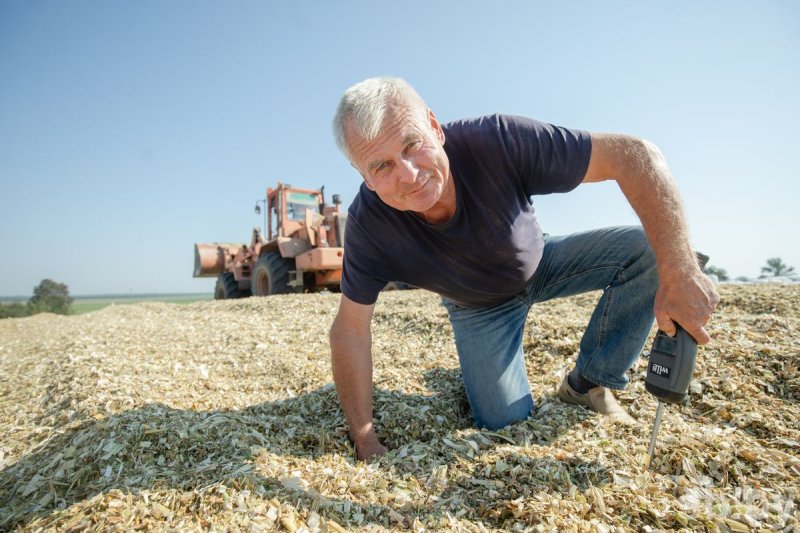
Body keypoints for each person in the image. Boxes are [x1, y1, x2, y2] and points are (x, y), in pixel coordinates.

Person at [329, 77, 719, 460]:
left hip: (542, 262)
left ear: (434, 127)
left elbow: (634, 155)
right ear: (364, 176)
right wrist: (365, 439)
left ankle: (589, 382)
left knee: (650, 250)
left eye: (413, 144)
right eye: (381, 165)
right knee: (506, 424)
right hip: (478, 307)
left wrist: (680, 268)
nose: (408, 175)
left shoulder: (496, 140)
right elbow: (349, 330)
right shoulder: (369, 226)